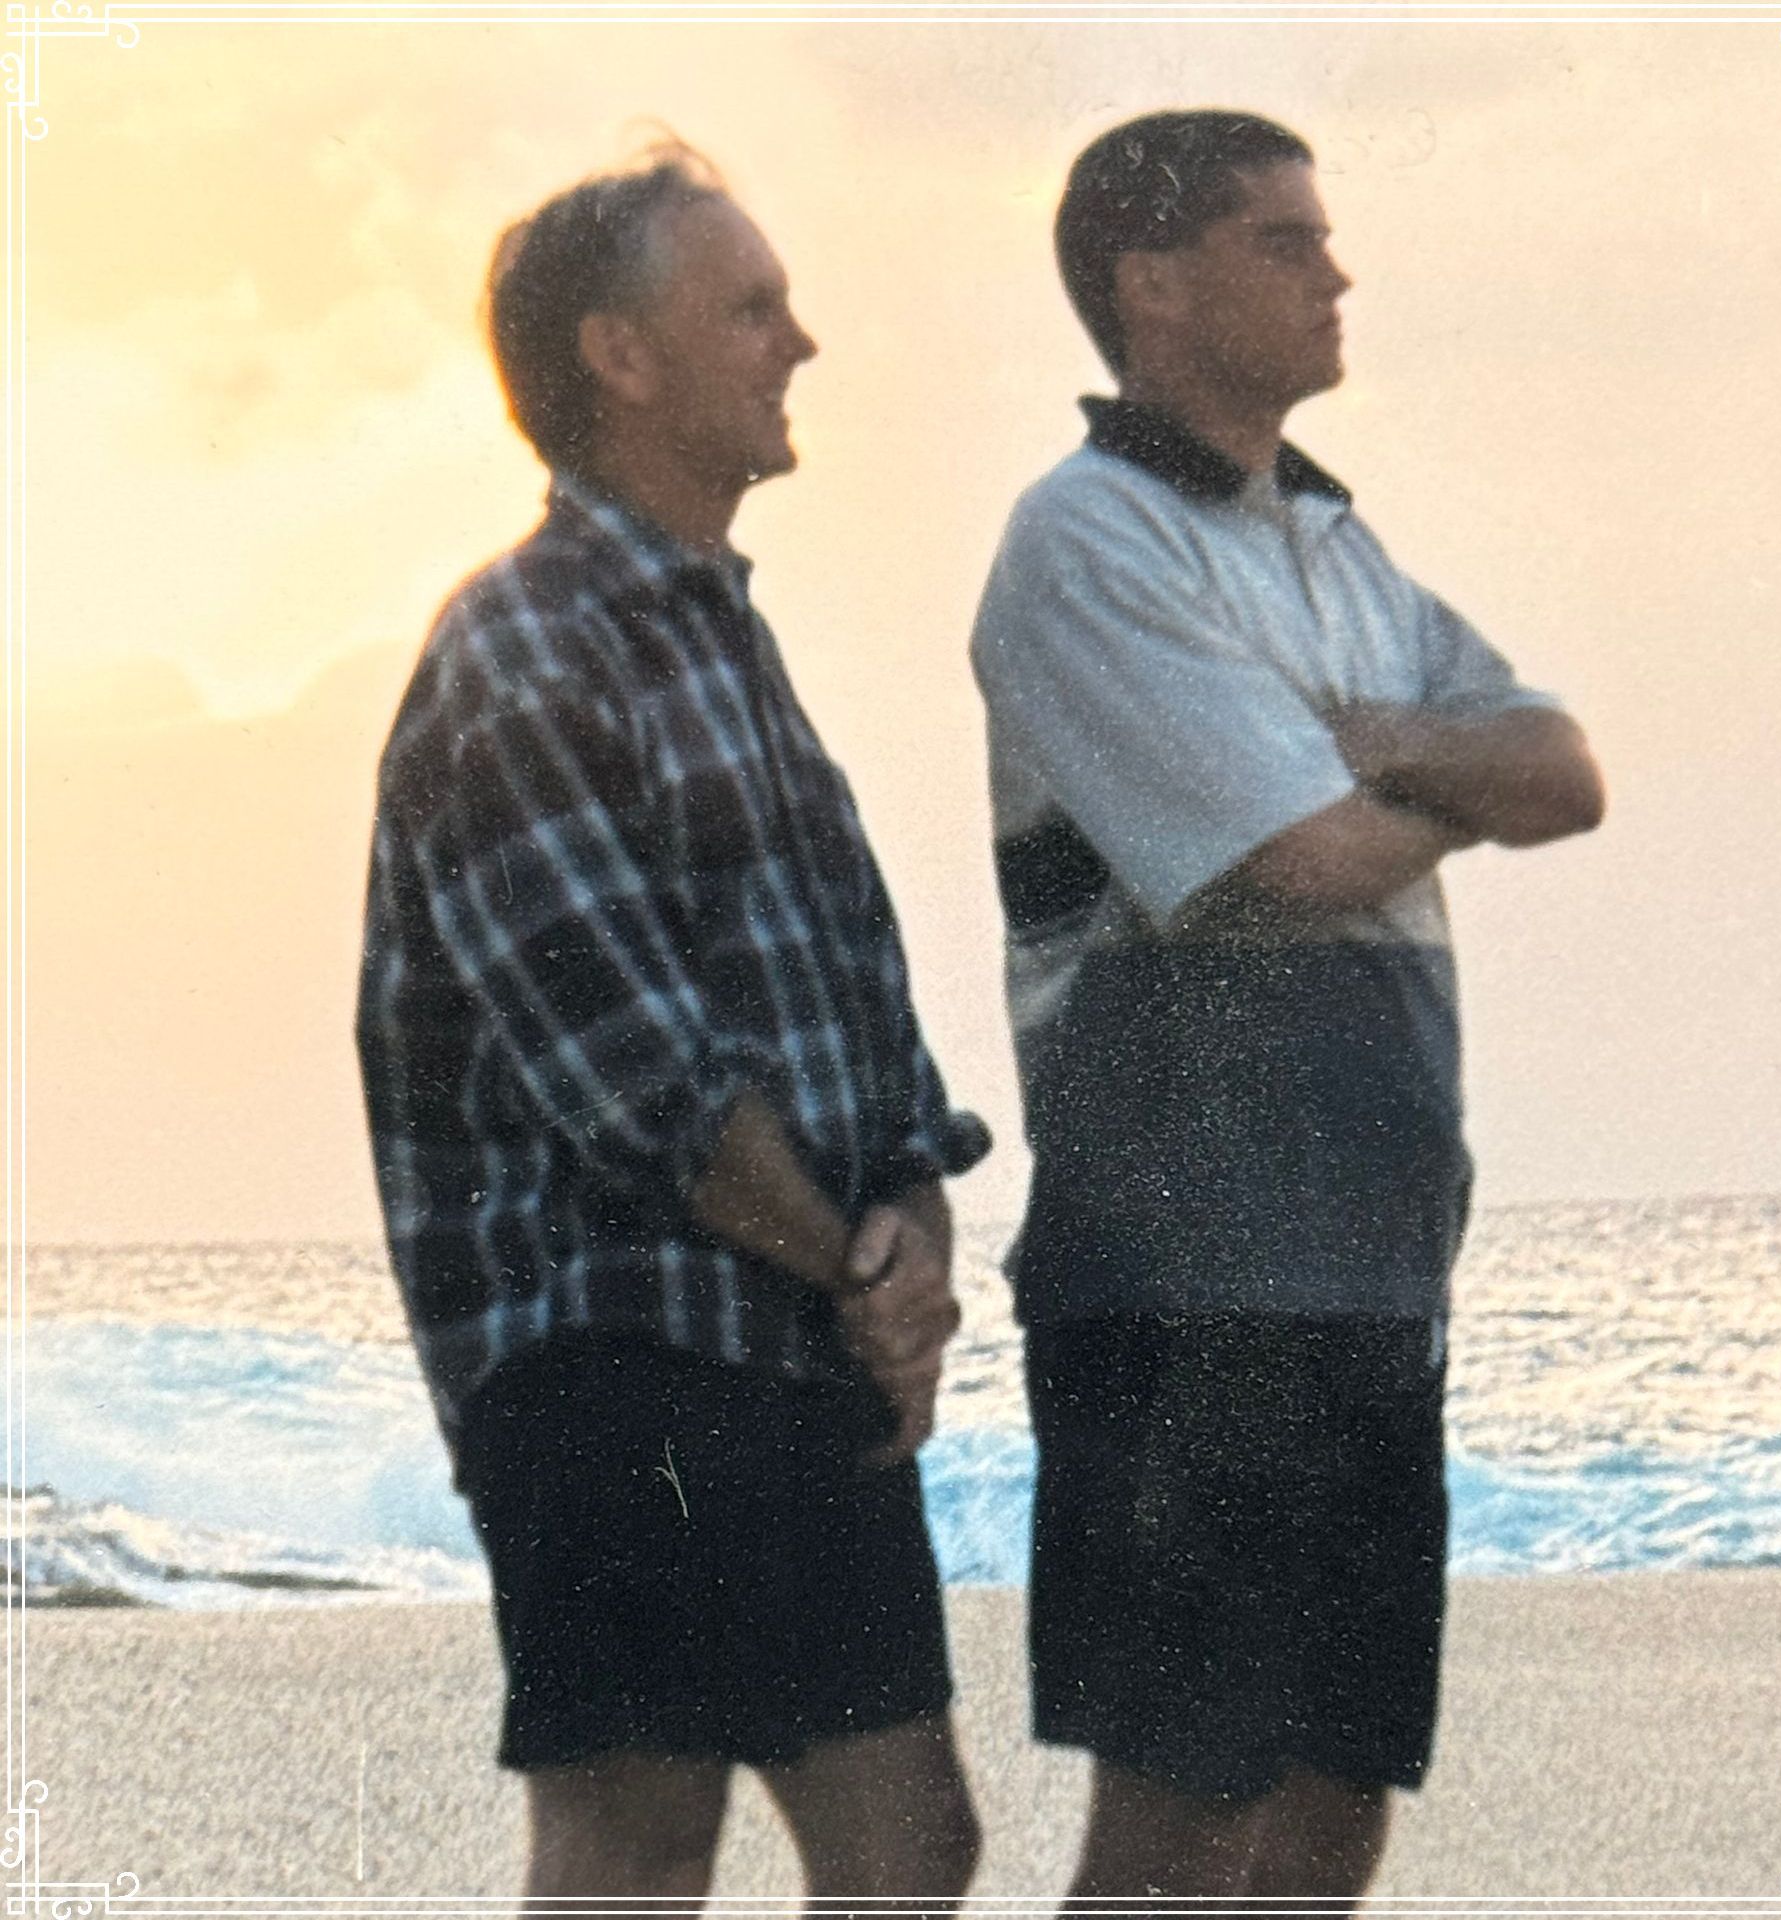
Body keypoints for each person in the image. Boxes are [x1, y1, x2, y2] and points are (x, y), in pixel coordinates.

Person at [969, 109, 1605, 1906]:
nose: (1336, 274)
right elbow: (1305, 864)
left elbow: (1564, 770)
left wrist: (1380, 741)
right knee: (1178, 1819)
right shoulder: (1089, 544)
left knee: (1335, 1792)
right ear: (1149, 286)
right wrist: (1400, 790)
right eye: (1284, 242)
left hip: (1369, 1263)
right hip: (1186, 1275)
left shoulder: (1334, 543)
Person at [355, 145, 989, 1911]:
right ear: (619, 357)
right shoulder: (526, 647)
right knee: (644, 1842)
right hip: (612, 1348)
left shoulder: (720, 642)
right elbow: (634, 1078)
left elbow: (872, 1033)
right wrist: (866, 1273)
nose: (802, 340)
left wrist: (911, 1243)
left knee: (904, 1842)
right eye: (751, 307)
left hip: (782, 1333)